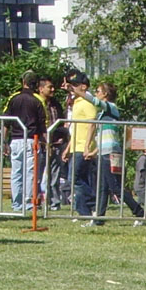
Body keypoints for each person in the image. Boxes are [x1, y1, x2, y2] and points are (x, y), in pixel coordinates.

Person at [68, 80, 144, 226]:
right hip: (104, 151)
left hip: (111, 152)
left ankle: (139, 212)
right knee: (102, 187)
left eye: (98, 91)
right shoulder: (102, 113)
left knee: (115, 187)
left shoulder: (111, 107)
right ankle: (99, 219)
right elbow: (103, 136)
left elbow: (93, 100)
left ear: (106, 94)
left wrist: (76, 91)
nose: (96, 93)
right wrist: (94, 151)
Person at [2, 71, 46, 213]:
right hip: (32, 140)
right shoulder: (38, 99)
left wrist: (3, 142)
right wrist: (46, 143)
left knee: (16, 173)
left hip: (15, 140)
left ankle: (16, 204)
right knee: (31, 173)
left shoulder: (13, 98)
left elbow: (5, 122)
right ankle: (29, 202)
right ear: (36, 85)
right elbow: (42, 124)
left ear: (23, 82)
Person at [61, 71, 97, 222]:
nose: (72, 88)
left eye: (75, 85)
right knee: (79, 179)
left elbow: (92, 124)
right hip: (76, 145)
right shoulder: (76, 102)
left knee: (74, 179)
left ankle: (91, 204)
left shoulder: (88, 102)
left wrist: (88, 146)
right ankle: (85, 210)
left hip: (83, 147)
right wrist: (68, 148)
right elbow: (76, 129)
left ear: (83, 86)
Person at [38, 76, 69, 211]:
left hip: (56, 143)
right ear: (41, 89)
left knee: (55, 175)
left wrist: (62, 137)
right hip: (41, 144)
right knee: (38, 175)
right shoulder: (37, 103)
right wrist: (45, 142)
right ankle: (36, 202)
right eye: (49, 87)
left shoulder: (55, 104)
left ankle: (54, 202)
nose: (52, 89)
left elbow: (61, 122)